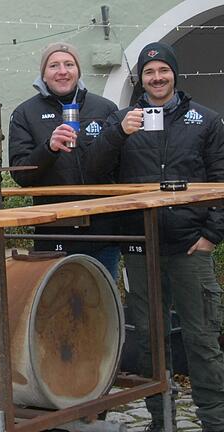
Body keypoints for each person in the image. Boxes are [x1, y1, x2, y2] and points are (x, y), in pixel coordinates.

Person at [88, 41, 224, 431]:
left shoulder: (206, 119)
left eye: (163, 70)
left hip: (190, 247)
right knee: (150, 341)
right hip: (140, 246)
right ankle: (160, 419)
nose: (157, 77)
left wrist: (213, 235)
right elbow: (96, 174)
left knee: (202, 339)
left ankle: (214, 420)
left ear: (174, 75)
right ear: (141, 79)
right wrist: (118, 133)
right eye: (149, 72)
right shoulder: (123, 120)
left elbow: (220, 179)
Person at [8, 42, 121, 281]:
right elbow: (20, 174)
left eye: (69, 64)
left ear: (78, 71)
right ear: (44, 75)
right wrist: (48, 148)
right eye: (54, 65)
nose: (62, 71)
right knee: (56, 306)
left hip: (102, 230)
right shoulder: (25, 113)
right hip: (53, 230)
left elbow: (122, 165)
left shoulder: (105, 108)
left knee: (103, 303)